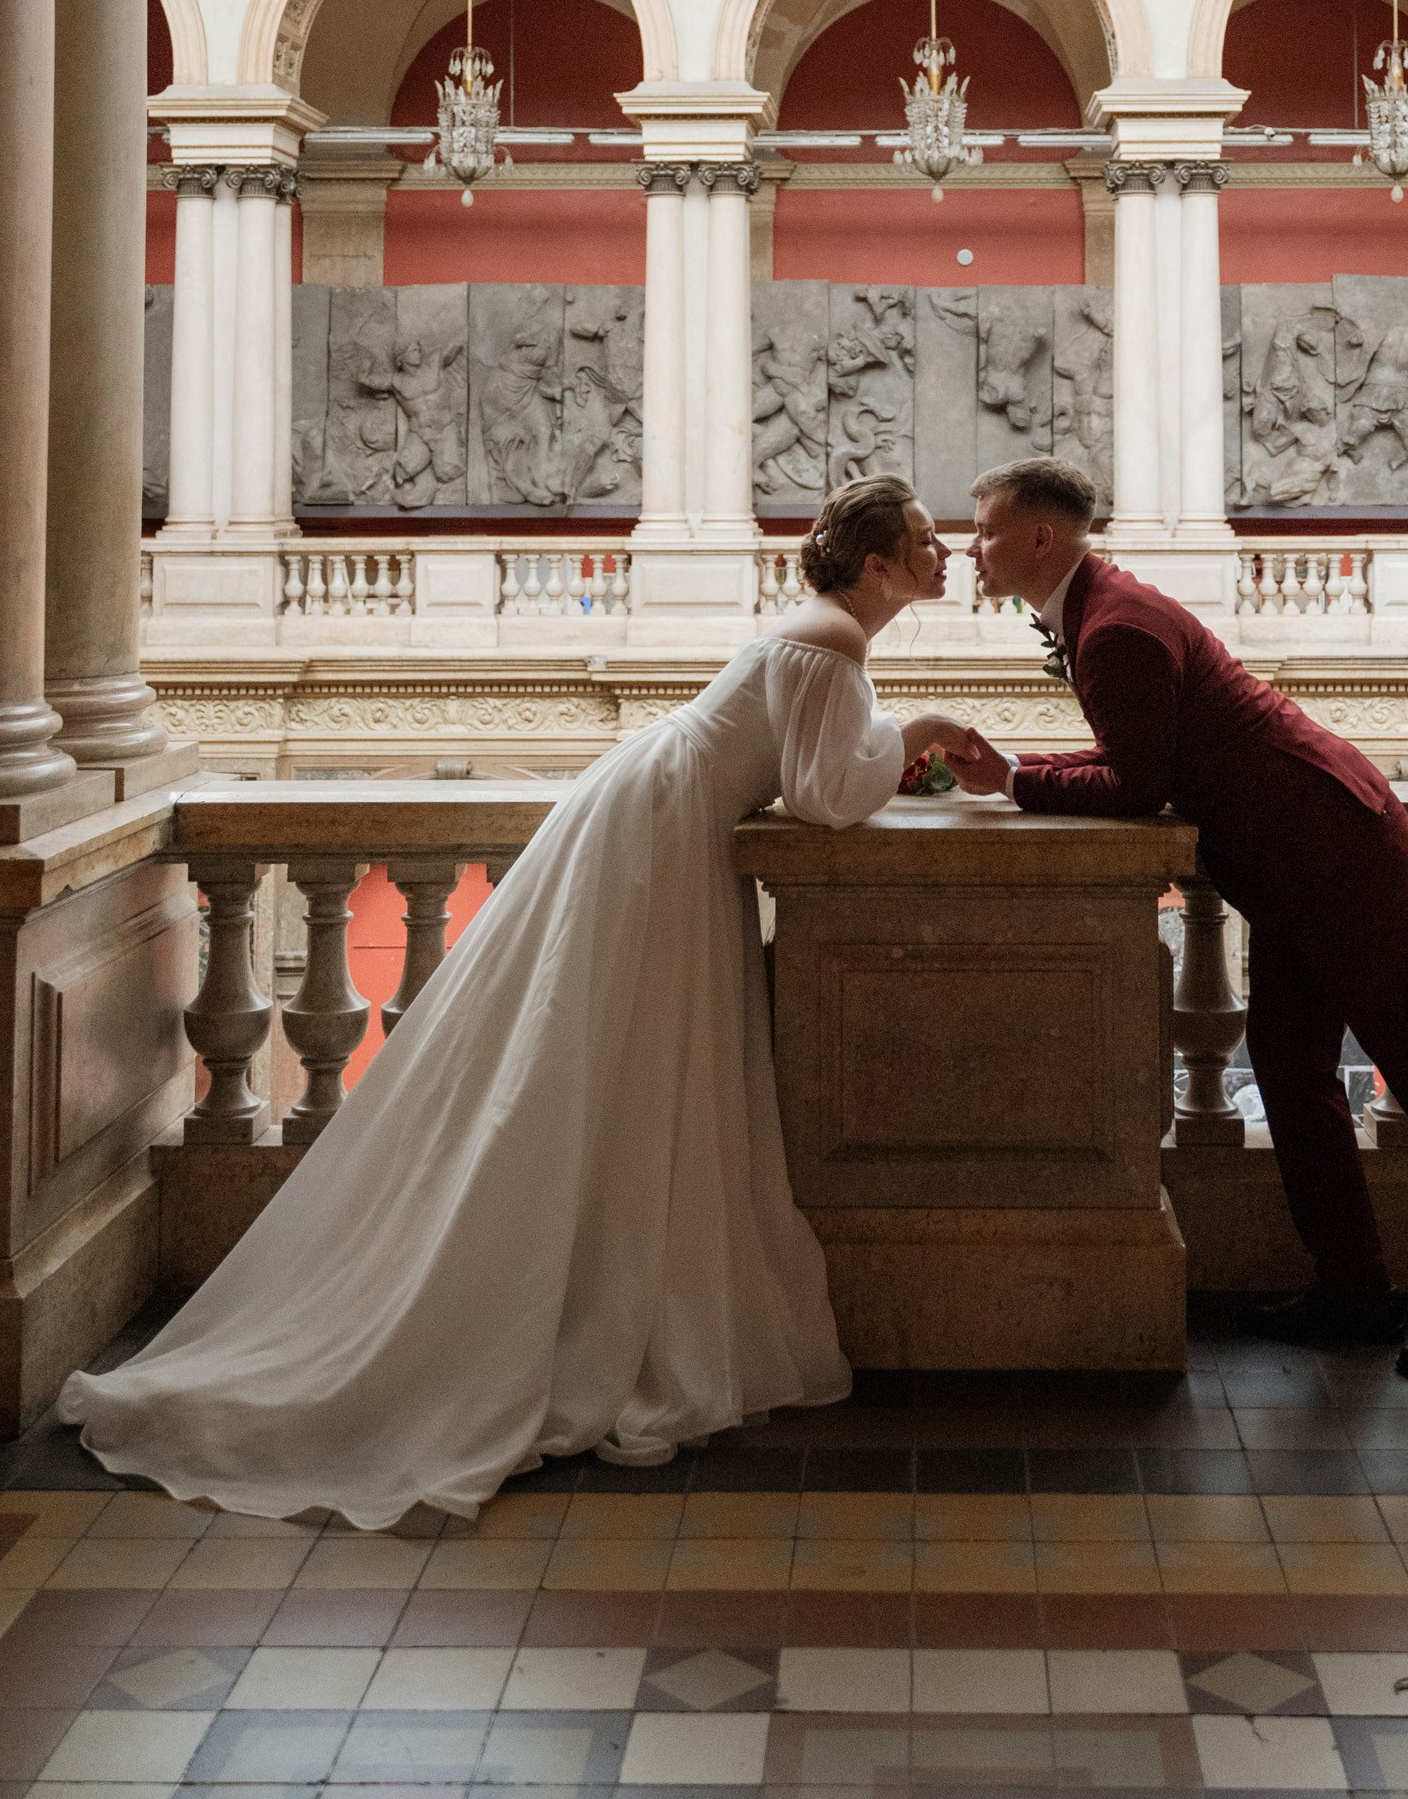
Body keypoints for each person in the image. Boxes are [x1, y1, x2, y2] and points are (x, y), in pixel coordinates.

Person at [58, 478, 981, 1526]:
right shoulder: (833, 641)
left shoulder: (822, 630)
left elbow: (809, 773)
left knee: (609, 1059)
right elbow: (822, 797)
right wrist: (921, 731)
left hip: (657, 811)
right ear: (875, 564)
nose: (942, 552)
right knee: (612, 1063)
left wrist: (901, 737)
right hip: (662, 832)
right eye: (922, 539)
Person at [939, 457, 1408, 1383]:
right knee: (1291, 1071)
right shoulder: (1100, 608)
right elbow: (1139, 751)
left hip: (1330, 848)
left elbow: (1138, 785)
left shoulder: (1112, 628)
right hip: (1295, 853)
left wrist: (1020, 780)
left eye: (983, 528)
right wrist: (1020, 765)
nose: (968, 546)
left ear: (1038, 538)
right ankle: (1353, 1288)